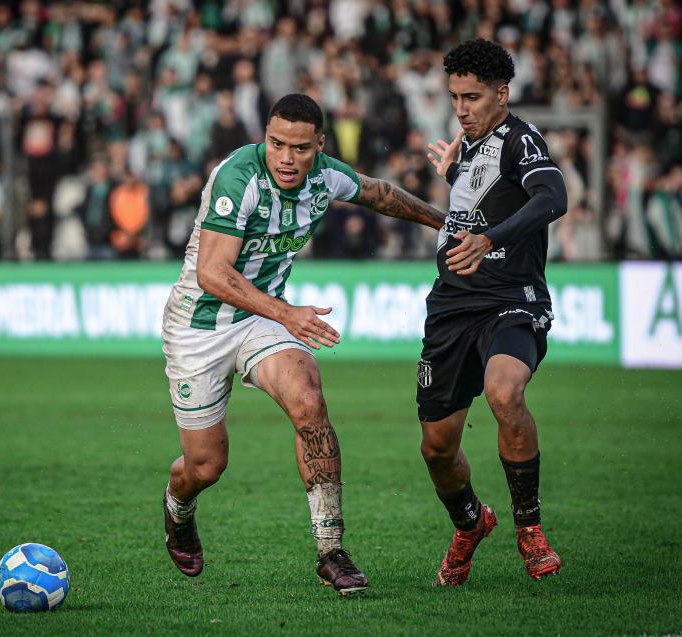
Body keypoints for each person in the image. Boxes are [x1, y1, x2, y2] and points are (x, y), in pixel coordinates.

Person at [160, 94, 445, 595]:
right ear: (264, 137)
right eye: (276, 144)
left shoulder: (326, 176)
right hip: (199, 326)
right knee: (205, 466)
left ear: (320, 145)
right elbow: (211, 273)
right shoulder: (238, 177)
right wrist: (288, 313)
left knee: (309, 398)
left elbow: (378, 194)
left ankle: (331, 550)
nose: (286, 158)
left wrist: (445, 223)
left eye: (299, 147)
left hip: (260, 318)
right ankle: (177, 506)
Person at [420, 39, 568, 586]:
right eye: (455, 96)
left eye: (473, 97)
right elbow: (481, 199)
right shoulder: (470, 147)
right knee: (437, 447)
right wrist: (456, 179)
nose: (461, 108)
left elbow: (553, 198)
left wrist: (490, 238)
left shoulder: (521, 140)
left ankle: (529, 528)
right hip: (451, 306)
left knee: (506, 392)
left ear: (502, 94)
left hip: (510, 299)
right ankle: (470, 522)